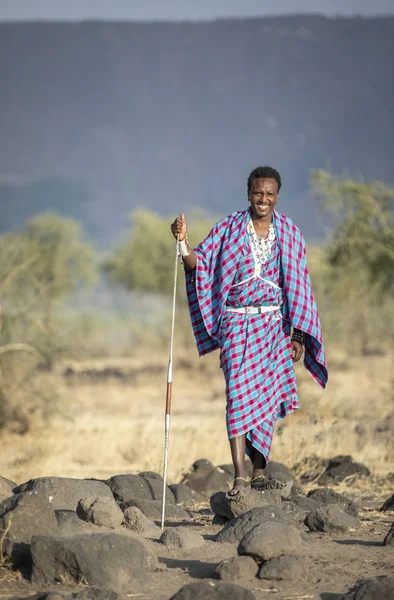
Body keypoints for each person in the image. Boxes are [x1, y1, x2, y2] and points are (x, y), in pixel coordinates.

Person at [170, 166, 327, 496]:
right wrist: (183, 242)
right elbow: (198, 264)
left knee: (267, 402)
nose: (263, 199)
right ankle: (240, 474)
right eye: (258, 193)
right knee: (239, 396)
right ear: (248, 194)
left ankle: (258, 471)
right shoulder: (228, 228)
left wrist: (297, 336)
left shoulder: (290, 233)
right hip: (236, 325)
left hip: (273, 327)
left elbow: (298, 287)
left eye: (269, 194)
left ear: (277, 196)